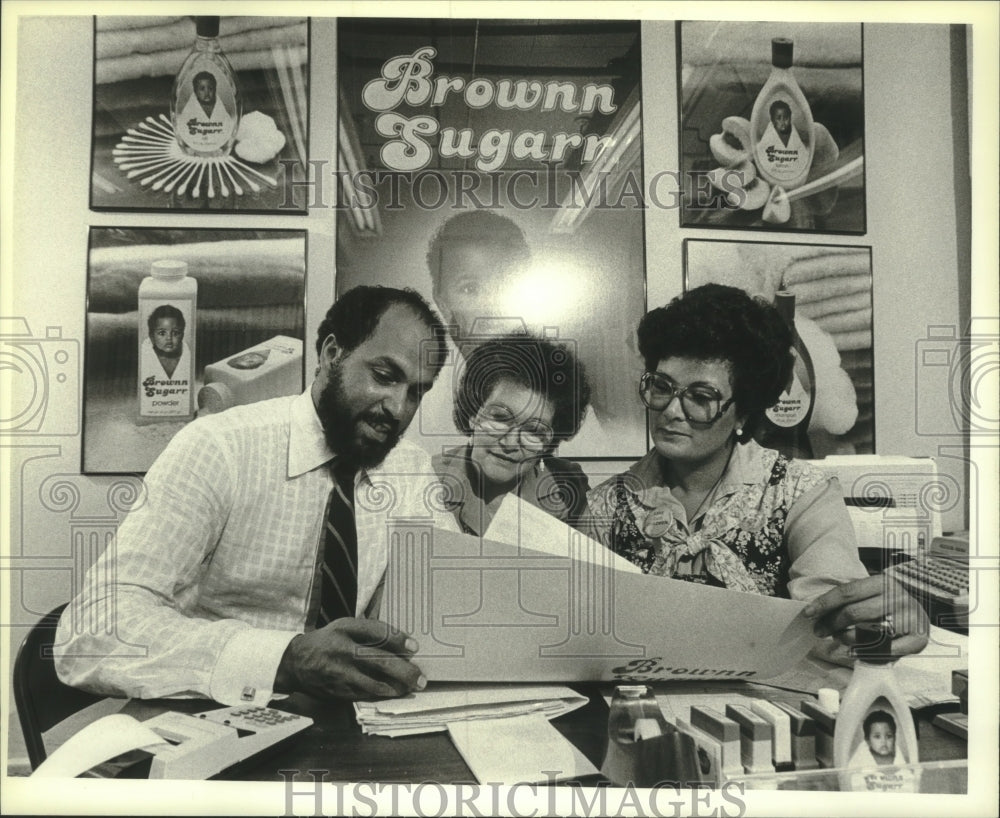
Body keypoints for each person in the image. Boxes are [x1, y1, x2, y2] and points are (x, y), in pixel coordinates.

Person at [56, 286, 460, 704]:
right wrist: (283, 660)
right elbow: (91, 630)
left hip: (350, 727)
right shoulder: (218, 447)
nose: (398, 408)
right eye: (384, 376)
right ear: (331, 354)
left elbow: (448, 603)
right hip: (214, 721)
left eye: (416, 392)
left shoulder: (409, 468)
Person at [582, 284, 928, 656]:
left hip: (763, 705)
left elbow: (833, 610)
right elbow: (583, 626)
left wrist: (880, 625)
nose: (670, 410)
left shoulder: (800, 493)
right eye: (662, 387)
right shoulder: (607, 504)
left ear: (743, 414)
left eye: (701, 397)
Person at [431, 335, 591, 535]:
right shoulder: (425, 480)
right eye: (500, 418)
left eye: (533, 431)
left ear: (548, 442)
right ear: (473, 413)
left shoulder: (568, 485)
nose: (510, 443)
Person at [142, 304, 190, 379]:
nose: (169, 338)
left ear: (182, 335)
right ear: (152, 336)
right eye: (162, 333)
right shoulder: (145, 355)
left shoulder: (186, 355)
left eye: (175, 333)